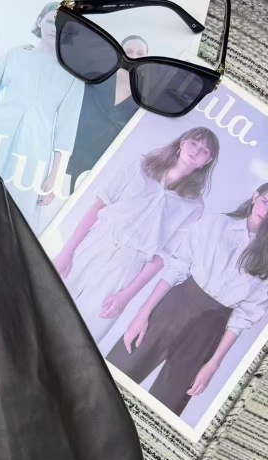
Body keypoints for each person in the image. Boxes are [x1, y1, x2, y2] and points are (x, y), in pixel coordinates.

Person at [107, 184, 268, 414]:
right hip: (174, 307)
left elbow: (243, 317)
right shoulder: (216, 224)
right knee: (117, 372)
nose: (266, 211)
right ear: (255, 197)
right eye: (265, 202)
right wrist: (142, 313)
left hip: (210, 329)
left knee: (165, 407)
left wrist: (214, 364)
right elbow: (177, 267)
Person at [52, 126, 220, 342]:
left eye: (204, 151)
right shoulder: (140, 166)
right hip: (94, 245)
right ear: (182, 143)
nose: (196, 151)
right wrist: (66, 252)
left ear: (206, 161)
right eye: (193, 143)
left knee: (80, 337)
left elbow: (163, 256)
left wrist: (127, 295)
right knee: (44, 304)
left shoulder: (194, 206)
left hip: (126, 268)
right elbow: (98, 206)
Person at [0, 2, 84, 235]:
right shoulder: (16, 55)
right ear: (40, 21)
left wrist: (55, 176)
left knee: (15, 219)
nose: (54, 28)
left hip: (33, 153)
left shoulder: (73, 77)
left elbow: (66, 131)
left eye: (62, 25)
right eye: (50, 21)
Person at [67, 35, 149, 192]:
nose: (134, 57)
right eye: (129, 51)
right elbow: (70, 112)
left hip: (100, 172)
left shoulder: (143, 102)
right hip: (68, 159)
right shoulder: (95, 78)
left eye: (140, 53)